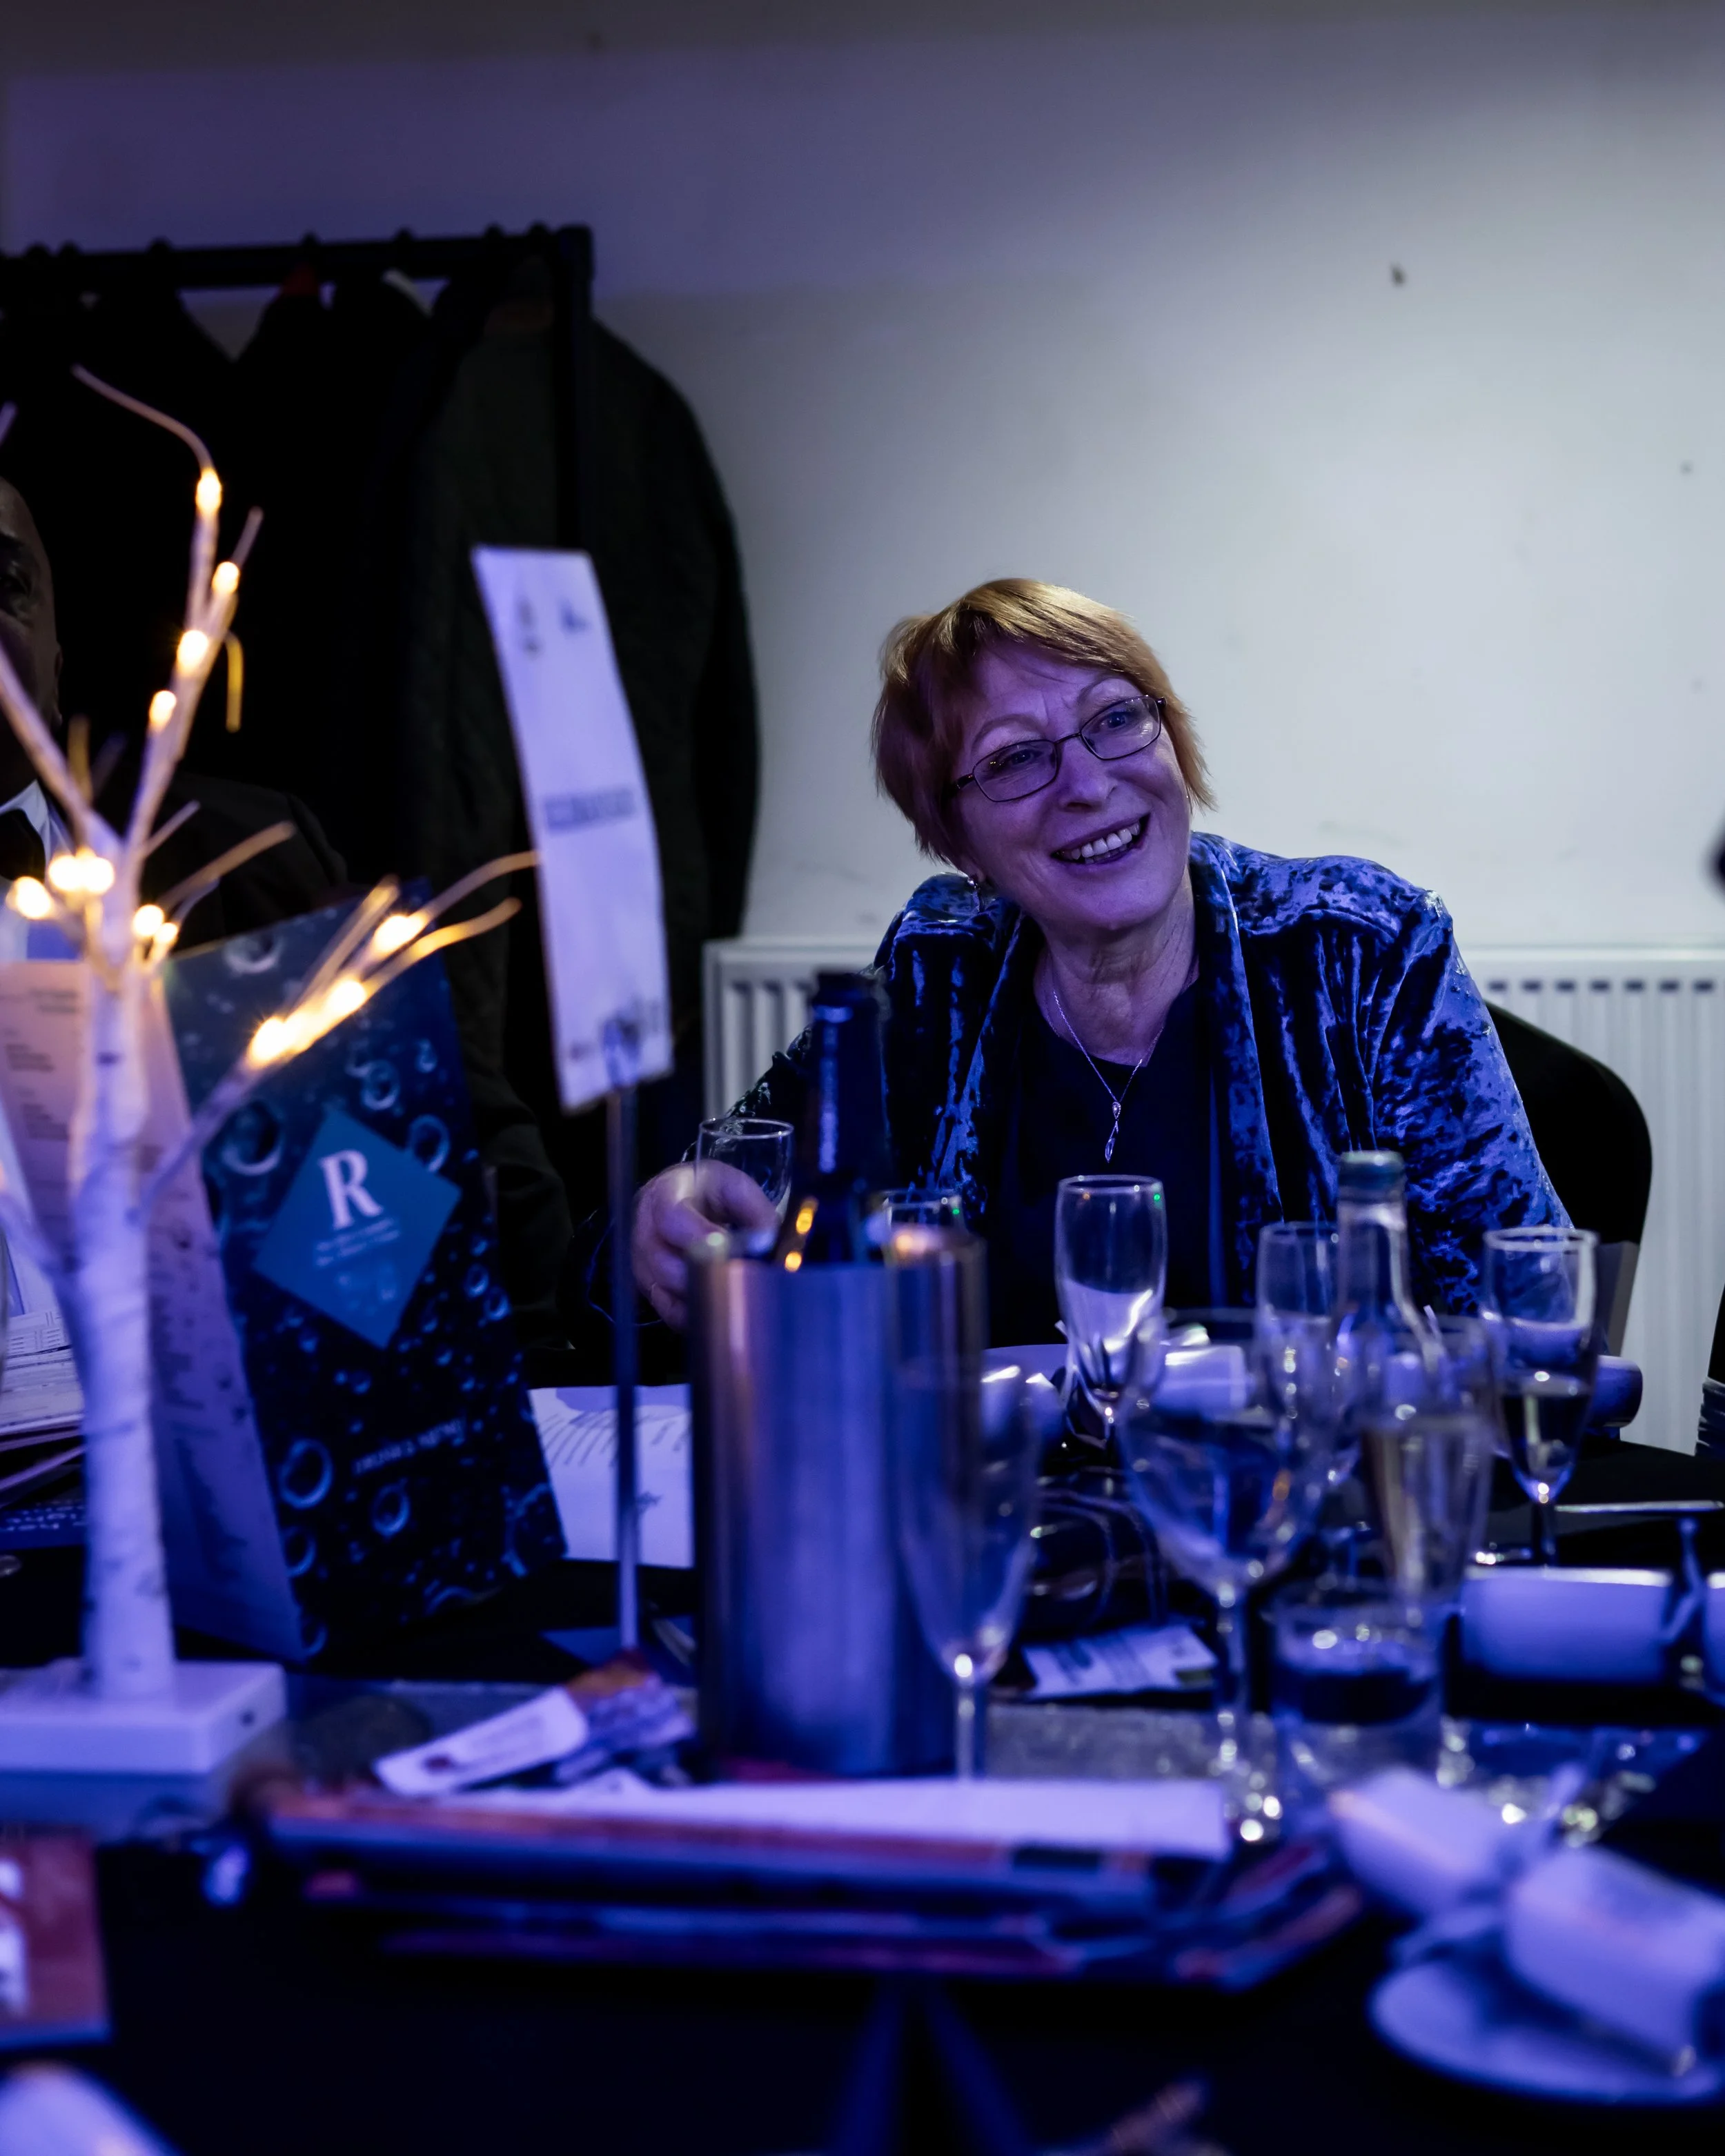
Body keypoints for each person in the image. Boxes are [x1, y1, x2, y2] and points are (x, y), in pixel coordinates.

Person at [631, 578, 1565, 1342]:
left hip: (1294, 1520)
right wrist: (667, 1221)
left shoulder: (1360, 953)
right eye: (1013, 760)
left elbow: (1537, 1326)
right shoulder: (934, 978)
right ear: (960, 842)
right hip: (1009, 1533)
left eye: (1117, 720)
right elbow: (708, 1232)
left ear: (1173, 739)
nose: (1086, 785)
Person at [0, 476, 571, 1348]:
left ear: (56, 646)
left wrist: (314, 1307)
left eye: (4, 581)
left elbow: (492, 1175)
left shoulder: (247, 859)